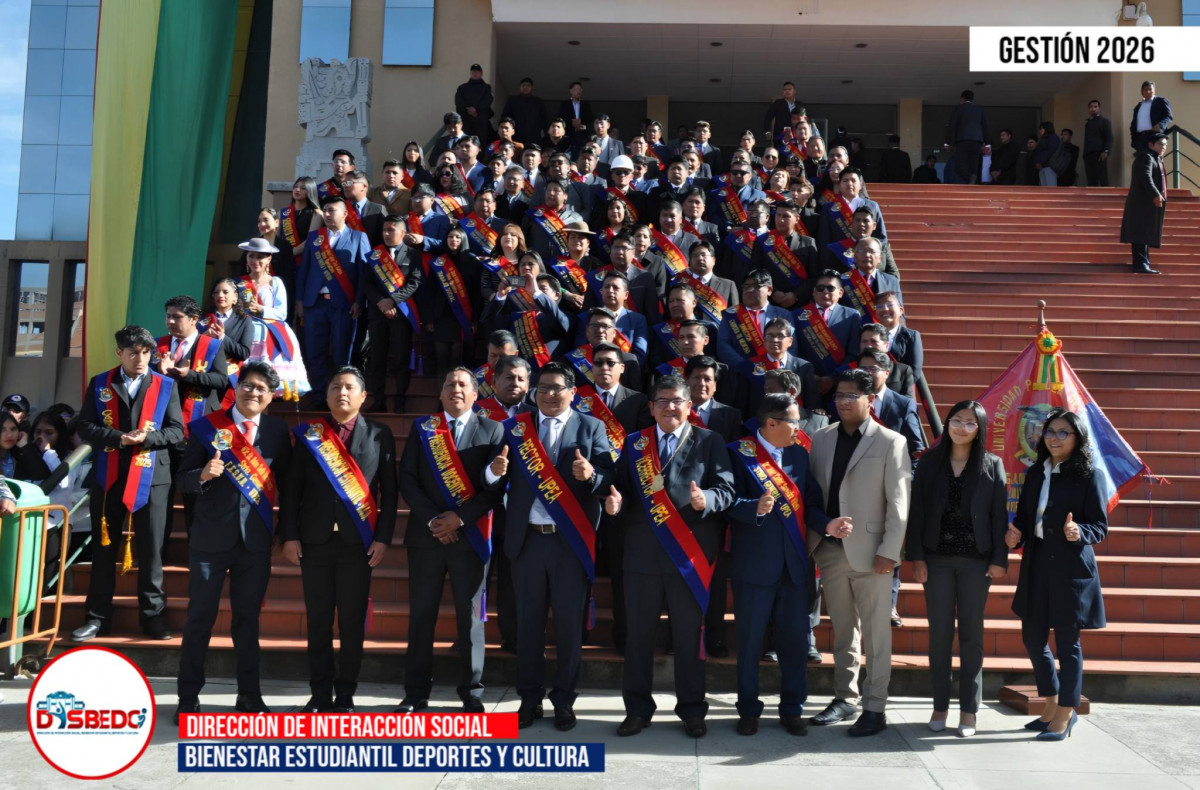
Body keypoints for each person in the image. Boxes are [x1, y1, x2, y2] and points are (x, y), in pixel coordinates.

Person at [486, 362, 615, 730]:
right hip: (527, 541)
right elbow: (494, 479)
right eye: (542, 388)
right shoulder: (516, 428)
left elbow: (610, 475)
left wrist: (592, 475)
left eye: (557, 388)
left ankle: (564, 700)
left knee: (569, 628)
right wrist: (494, 472)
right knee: (528, 626)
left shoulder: (592, 427)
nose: (549, 394)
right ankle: (529, 699)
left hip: (569, 542)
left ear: (573, 392)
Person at [609, 375, 735, 739]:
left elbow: (726, 490)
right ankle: (637, 710)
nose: (669, 407)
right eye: (661, 401)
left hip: (688, 557)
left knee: (688, 638)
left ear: (689, 406)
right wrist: (615, 504)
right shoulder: (635, 444)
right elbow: (622, 490)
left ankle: (692, 710)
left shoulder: (709, 441)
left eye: (676, 401)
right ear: (651, 407)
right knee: (638, 638)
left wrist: (707, 499)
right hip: (642, 557)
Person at [174, 361, 292, 723]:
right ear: (236, 387)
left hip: (255, 542)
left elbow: (289, 488)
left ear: (271, 397)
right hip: (210, 540)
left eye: (262, 389)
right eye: (248, 385)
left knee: (247, 622)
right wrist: (202, 475)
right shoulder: (207, 426)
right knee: (200, 620)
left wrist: (283, 533)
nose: (254, 393)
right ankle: (188, 697)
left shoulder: (277, 431)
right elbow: (182, 478)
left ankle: (249, 696)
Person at [280, 366, 397, 713]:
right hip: (313, 542)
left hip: (358, 544)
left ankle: (345, 694)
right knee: (318, 621)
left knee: (351, 622)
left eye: (348, 387)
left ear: (363, 396)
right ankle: (319, 694)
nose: (341, 393)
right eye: (335, 387)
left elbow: (390, 494)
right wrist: (290, 535)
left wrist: (383, 538)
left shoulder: (379, 434)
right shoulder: (309, 435)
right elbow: (292, 491)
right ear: (327, 394)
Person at [727, 393, 844, 736]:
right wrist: (753, 507)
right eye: (794, 421)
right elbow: (726, 499)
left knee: (795, 644)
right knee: (750, 643)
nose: (799, 428)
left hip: (794, 566)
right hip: (754, 567)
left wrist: (827, 525)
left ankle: (793, 709)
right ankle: (748, 709)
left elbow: (811, 502)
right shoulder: (738, 453)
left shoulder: (798, 454)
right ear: (771, 423)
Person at [807, 369, 910, 737]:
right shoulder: (821, 438)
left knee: (877, 634)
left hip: (873, 554)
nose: (843, 401)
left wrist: (890, 552)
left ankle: (875, 706)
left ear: (871, 399)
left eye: (852, 395)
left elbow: (899, 503)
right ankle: (844, 697)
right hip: (830, 550)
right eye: (839, 395)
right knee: (843, 631)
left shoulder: (891, 441)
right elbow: (814, 493)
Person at [397, 368, 506, 714]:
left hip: (470, 538)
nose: (455, 389)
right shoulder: (423, 428)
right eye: (449, 384)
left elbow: (494, 489)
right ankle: (415, 693)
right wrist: (435, 519)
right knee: (421, 615)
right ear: (441, 393)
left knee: (470, 619)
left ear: (475, 394)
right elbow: (408, 479)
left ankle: (472, 693)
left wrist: (459, 519)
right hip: (426, 536)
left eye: (462, 384)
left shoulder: (493, 429)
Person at [72, 325, 184, 642]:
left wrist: (147, 438)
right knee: (104, 550)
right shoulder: (100, 383)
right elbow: (85, 426)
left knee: (152, 551)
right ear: (119, 352)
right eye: (134, 352)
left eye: (146, 352)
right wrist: (118, 438)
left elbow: (177, 430)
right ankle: (96, 618)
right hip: (110, 475)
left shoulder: (165, 384)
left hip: (153, 477)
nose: (140, 358)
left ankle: (153, 618)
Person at [906, 400, 1008, 738]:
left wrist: (999, 559)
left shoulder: (992, 464)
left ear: (979, 430)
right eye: (956, 420)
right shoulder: (929, 461)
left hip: (976, 562)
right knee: (939, 634)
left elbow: (998, 515)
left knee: (971, 635)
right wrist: (917, 557)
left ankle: (969, 711)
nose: (961, 428)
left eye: (970, 423)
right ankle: (940, 706)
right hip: (936, 560)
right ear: (947, 423)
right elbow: (917, 513)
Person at [1006, 407, 1108, 741]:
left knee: (1068, 644)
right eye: (1050, 432)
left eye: (1063, 432)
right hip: (1037, 563)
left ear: (1077, 438)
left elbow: (1099, 526)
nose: (1054, 438)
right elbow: (1025, 518)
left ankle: (1066, 712)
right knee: (1032, 638)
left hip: (1071, 568)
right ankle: (1050, 704)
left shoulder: (1089, 475)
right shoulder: (1037, 472)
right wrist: (1016, 533)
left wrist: (1080, 531)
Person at [297, 196, 371, 397]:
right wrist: (300, 301)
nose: (327, 214)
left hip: (344, 304)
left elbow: (364, 274)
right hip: (314, 303)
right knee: (315, 352)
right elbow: (304, 270)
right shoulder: (315, 237)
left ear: (345, 213)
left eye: (332, 210)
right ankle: (320, 394)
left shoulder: (358, 237)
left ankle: (340, 395)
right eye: (325, 211)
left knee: (341, 352)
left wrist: (358, 301)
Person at [238, 237, 310, 400]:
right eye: (251, 256)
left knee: (265, 381)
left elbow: (282, 313)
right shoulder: (240, 283)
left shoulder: (275, 282)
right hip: (245, 332)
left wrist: (261, 309)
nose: (255, 260)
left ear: (269, 259)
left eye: (260, 257)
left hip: (270, 334)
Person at [364, 216, 423, 412]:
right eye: (384, 230)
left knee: (400, 359)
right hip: (377, 313)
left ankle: (399, 399)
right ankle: (378, 400)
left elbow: (414, 282)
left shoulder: (412, 254)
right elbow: (367, 283)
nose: (387, 234)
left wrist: (393, 300)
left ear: (403, 233)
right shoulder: (374, 255)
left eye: (391, 230)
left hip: (401, 314)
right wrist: (381, 302)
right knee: (377, 358)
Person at [482, 251, 572, 367]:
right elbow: (488, 322)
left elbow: (559, 320)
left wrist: (537, 292)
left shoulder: (564, 316)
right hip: (517, 371)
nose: (526, 267)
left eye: (542, 289)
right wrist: (500, 296)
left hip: (547, 371)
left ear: (557, 295)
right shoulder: (515, 314)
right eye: (522, 264)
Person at [421, 227, 484, 382]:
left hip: (462, 317)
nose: (454, 240)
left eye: (457, 237)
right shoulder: (438, 262)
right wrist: (428, 319)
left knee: (458, 360)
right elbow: (429, 292)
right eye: (450, 237)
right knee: (441, 360)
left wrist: (475, 319)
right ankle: (442, 394)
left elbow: (477, 294)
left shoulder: (473, 261)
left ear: (463, 240)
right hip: (440, 317)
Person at [1120, 132, 1168, 275]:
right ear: (1151, 144)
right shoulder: (1145, 157)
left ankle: (1144, 263)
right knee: (1140, 233)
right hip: (1141, 204)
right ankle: (1140, 265)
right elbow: (1146, 177)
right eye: (1160, 144)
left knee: (1144, 233)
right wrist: (1155, 194)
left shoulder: (1155, 158)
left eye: (1165, 144)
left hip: (1147, 204)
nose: (1164, 147)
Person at [201, 278, 255, 364]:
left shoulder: (244, 321)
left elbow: (244, 353)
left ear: (235, 297)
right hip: (202, 366)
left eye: (225, 292)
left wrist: (222, 337)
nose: (220, 295)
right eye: (216, 292)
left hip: (229, 370)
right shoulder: (202, 319)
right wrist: (203, 337)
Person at [942, 90, 989, 184]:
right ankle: (974, 183)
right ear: (972, 99)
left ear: (962, 98)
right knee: (974, 168)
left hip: (962, 141)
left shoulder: (958, 108)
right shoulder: (979, 109)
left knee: (959, 168)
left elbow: (951, 126)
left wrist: (947, 142)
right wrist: (987, 143)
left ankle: (971, 178)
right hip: (977, 142)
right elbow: (985, 126)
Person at [0, 409, 51, 482]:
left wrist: (24, 445)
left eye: (13, 429)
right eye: (2, 430)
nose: (9, 435)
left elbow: (43, 476)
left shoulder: (19, 455)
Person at [501, 77, 548, 146]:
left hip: (533, 135)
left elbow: (544, 118)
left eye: (528, 85)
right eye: (523, 85)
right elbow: (505, 116)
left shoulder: (538, 102)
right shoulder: (512, 100)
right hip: (516, 134)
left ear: (531, 87)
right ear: (520, 87)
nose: (525, 87)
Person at [1130, 80, 1173, 152]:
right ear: (1142, 92)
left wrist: (1160, 125)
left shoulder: (1161, 101)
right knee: (1142, 158)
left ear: (1154, 90)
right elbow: (1134, 123)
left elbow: (1168, 116)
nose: (1148, 91)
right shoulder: (1138, 106)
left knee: (1153, 158)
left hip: (1154, 137)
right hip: (1140, 139)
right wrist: (1134, 139)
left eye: (1150, 89)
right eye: (1145, 89)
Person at [454, 64, 493, 140]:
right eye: (473, 71)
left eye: (477, 71)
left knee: (481, 142)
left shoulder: (487, 87)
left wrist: (476, 109)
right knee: (465, 142)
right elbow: (458, 102)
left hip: (481, 122)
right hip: (466, 121)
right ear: (470, 73)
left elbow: (487, 101)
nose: (475, 73)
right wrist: (468, 109)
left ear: (481, 74)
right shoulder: (462, 88)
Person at [1084, 100, 1114, 187]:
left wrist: (1106, 151)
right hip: (1088, 154)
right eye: (1091, 107)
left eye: (1095, 107)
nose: (1093, 109)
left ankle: (1106, 195)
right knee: (1091, 179)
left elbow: (1109, 137)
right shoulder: (1088, 124)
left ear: (1099, 108)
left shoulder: (1105, 121)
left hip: (1100, 153)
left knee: (1102, 177)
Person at [557, 81, 594, 147]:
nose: (578, 91)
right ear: (571, 91)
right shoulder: (564, 104)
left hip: (582, 135)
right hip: (568, 134)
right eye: (576, 89)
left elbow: (590, 118)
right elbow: (560, 118)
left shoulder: (585, 104)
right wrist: (571, 122)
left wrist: (581, 121)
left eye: (580, 89)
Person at [1032, 122, 1062, 187]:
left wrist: (1040, 161)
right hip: (1043, 166)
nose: (1040, 131)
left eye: (1041, 128)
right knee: (1044, 188)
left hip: (1049, 166)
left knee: (1051, 188)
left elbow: (1050, 151)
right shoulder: (1043, 139)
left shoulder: (1053, 137)